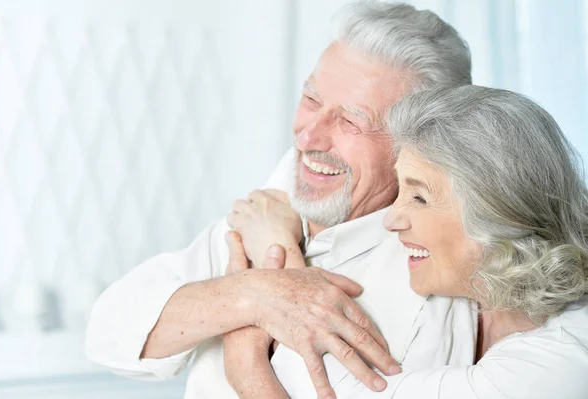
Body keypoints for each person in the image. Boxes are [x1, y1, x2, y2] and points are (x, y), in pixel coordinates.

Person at [85, 3, 474, 398]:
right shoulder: (272, 208)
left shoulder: (430, 288)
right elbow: (108, 334)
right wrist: (254, 295)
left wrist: (245, 359)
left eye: (350, 122)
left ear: (421, 147)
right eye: (310, 99)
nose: (308, 139)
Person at [226, 85, 588, 398]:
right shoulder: (478, 301)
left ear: (498, 214)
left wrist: (274, 257)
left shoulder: (562, 361)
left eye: (418, 198)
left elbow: (348, 393)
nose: (391, 220)